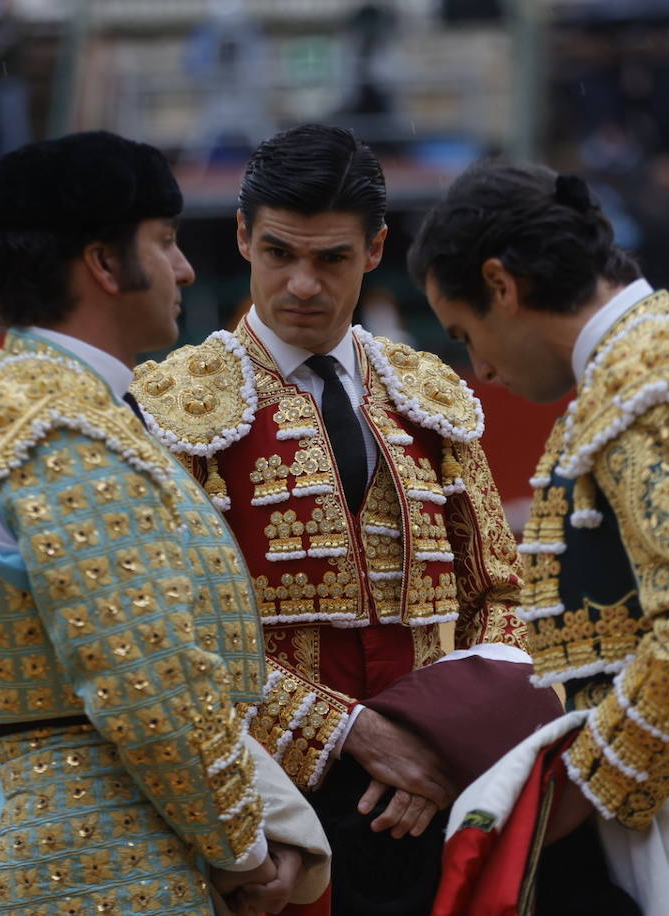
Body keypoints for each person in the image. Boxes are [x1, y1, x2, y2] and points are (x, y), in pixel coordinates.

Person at [0, 131, 328, 916]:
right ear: (103, 263)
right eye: (163, 242)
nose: (185, 267)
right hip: (113, 858)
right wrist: (244, 846)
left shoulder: (30, 404)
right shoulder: (65, 430)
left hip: (95, 830)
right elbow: (148, 682)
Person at [133, 124, 528, 916]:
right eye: (280, 254)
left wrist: (442, 743)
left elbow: (505, 595)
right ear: (243, 239)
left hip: (436, 795)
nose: (303, 285)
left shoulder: (428, 396)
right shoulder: (173, 408)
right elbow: (166, 630)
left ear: (376, 250)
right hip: (269, 801)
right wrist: (353, 736)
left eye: (332, 259)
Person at [408, 161, 669, 915]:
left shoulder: (639, 391)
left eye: (468, 335)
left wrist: (580, 790)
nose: (482, 367)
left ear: (503, 285)